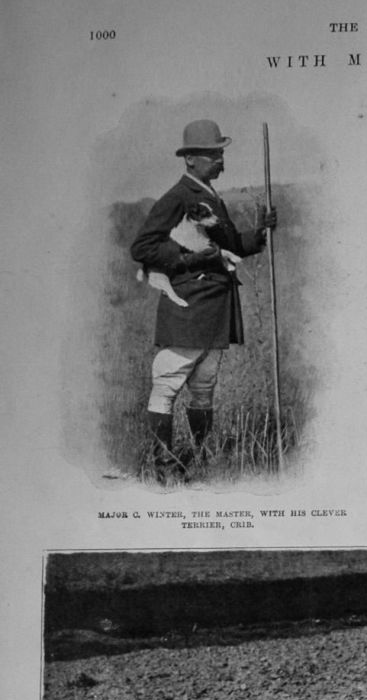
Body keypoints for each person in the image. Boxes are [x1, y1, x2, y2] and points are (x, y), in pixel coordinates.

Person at [130, 120, 277, 478]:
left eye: (221, 153)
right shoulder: (178, 196)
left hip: (215, 305)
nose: (220, 161)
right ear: (190, 159)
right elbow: (143, 247)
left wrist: (259, 234)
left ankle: (201, 457)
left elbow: (226, 249)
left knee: (204, 387)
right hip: (190, 305)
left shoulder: (210, 196)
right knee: (167, 382)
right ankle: (164, 464)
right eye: (213, 154)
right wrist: (194, 260)